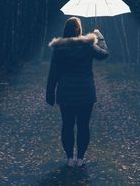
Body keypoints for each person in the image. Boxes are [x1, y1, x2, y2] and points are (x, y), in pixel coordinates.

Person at [46, 16, 109, 167]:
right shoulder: (88, 45)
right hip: (85, 93)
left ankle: (69, 158)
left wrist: (50, 93)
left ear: (65, 30)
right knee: (83, 125)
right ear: (79, 29)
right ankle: (80, 158)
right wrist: (99, 37)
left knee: (67, 125)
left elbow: (53, 73)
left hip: (65, 94)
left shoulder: (59, 48)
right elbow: (104, 54)